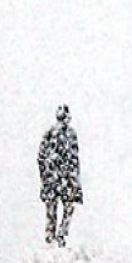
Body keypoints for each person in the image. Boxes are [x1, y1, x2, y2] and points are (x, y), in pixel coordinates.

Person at [38, 104, 82, 247]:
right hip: (58, 179)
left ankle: (58, 235)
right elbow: (42, 156)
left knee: (63, 208)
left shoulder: (69, 134)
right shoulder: (52, 133)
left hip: (62, 179)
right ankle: (54, 237)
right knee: (55, 208)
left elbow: (74, 159)